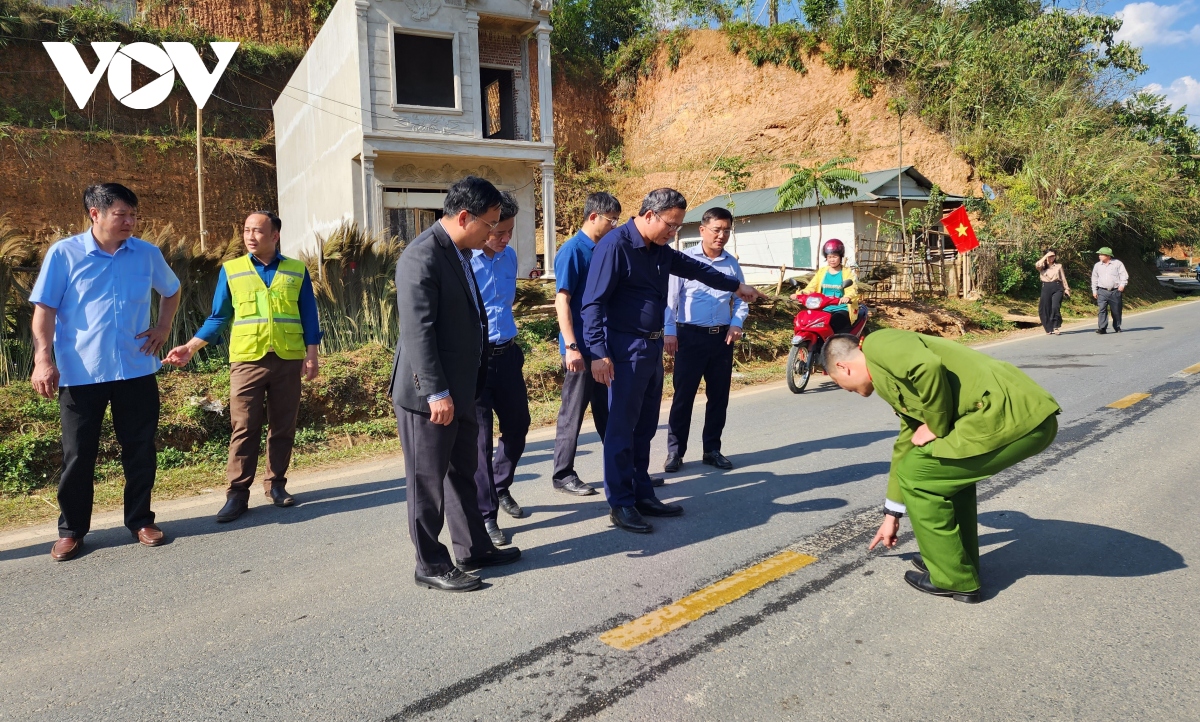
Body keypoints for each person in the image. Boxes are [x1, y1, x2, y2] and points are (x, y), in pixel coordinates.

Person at [823, 330, 1061, 603]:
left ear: (842, 366)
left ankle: (953, 579)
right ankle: (954, 561)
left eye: (837, 382)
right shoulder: (890, 379)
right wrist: (892, 514)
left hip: (1012, 416)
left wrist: (936, 425)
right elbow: (907, 443)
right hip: (1013, 417)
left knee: (918, 476)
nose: (845, 390)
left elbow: (928, 366)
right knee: (939, 475)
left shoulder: (878, 344)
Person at [581, 188, 766, 534]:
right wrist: (597, 353)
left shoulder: (661, 251)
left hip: (650, 351)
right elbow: (592, 304)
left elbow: (696, 268)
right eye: (671, 224)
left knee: (646, 427)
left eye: (679, 227)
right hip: (623, 350)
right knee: (622, 428)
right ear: (650, 215)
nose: (674, 232)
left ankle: (641, 492)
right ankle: (620, 502)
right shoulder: (615, 246)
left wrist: (736, 287)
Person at [29, 183, 181, 561]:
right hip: (81, 372)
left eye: (133, 215)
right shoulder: (64, 254)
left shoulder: (147, 254)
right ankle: (72, 531)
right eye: (121, 215)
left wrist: (163, 327)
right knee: (78, 455)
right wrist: (43, 359)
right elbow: (44, 310)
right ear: (95, 214)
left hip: (135, 369)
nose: (130, 222)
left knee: (140, 449)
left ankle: (141, 521)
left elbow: (172, 290)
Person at [391, 176, 521, 592]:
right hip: (431, 395)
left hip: (464, 388)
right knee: (427, 481)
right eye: (490, 224)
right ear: (464, 217)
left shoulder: (460, 251)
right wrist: (436, 392)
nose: (493, 233)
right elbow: (418, 332)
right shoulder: (422, 257)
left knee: (461, 472)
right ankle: (429, 563)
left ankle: (472, 547)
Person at [163, 211, 322, 522]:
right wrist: (191, 347)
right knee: (244, 426)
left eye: (258, 231)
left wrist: (312, 354)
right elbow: (219, 317)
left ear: (275, 235)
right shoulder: (231, 270)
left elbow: (309, 315)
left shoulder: (296, 270)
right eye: (247, 230)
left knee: (283, 425)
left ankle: (276, 484)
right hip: (247, 360)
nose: (250, 236)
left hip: (289, 357)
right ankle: (237, 494)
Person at [662, 206, 748, 473]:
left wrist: (735, 324)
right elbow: (669, 301)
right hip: (689, 337)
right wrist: (670, 331)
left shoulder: (731, 263)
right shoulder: (684, 260)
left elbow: (742, 300)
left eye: (726, 231)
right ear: (702, 230)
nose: (721, 235)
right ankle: (675, 452)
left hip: (721, 339)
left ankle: (712, 449)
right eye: (716, 230)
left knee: (718, 397)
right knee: (683, 397)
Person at [469, 192, 530, 548]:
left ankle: (500, 485)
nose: (505, 239)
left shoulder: (509, 258)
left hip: (507, 356)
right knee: (480, 442)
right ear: (484, 224)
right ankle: (486, 514)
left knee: (518, 427)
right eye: (500, 232)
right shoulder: (464, 261)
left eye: (509, 231)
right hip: (476, 361)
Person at [551, 192, 622, 496]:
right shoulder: (573, 251)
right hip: (580, 347)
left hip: (601, 346)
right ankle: (563, 474)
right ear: (594, 217)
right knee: (573, 412)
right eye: (611, 220)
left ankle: (621, 469)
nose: (614, 226)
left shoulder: (603, 249)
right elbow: (562, 301)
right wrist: (571, 347)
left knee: (609, 410)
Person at [801, 239, 858, 334]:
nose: (832, 260)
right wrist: (801, 293)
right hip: (822, 307)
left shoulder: (846, 272)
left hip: (840, 308)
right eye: (829, 257)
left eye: (835, 256)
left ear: (840, 257)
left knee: (838, 325)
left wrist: (847, 297)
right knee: (810, 323)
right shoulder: (822, 272)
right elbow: (812, 286)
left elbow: (852, 288)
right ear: (826, 258)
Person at [1091, 246, 1128, 334]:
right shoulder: (1097, 265)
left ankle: (1117, 326)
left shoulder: (1117, 264)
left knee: (1116, 310)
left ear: (1108, 256)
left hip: (1115, 291)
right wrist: (1094, 290)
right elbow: (1094, 278)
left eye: (1101, 254)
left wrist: (1122, 285)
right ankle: (1102, 328)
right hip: (1102, 291)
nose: (1099, 256)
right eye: (1099, 254)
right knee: (1102, 309)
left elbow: (1124, 275)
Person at [1035, 249, 1070, 335]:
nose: (1052, 258)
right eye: (1050, 256)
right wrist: (1046, 256)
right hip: (1046, 287)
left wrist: (1066, 289)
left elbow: (1063, 278)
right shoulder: (1042, 266)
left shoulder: (1058, 266)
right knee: (1044, 308)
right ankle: (1048, 328)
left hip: (1057, 287)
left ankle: (1056, 326)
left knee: (1055, 306)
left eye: (1053, 256)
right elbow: (1037, 265)